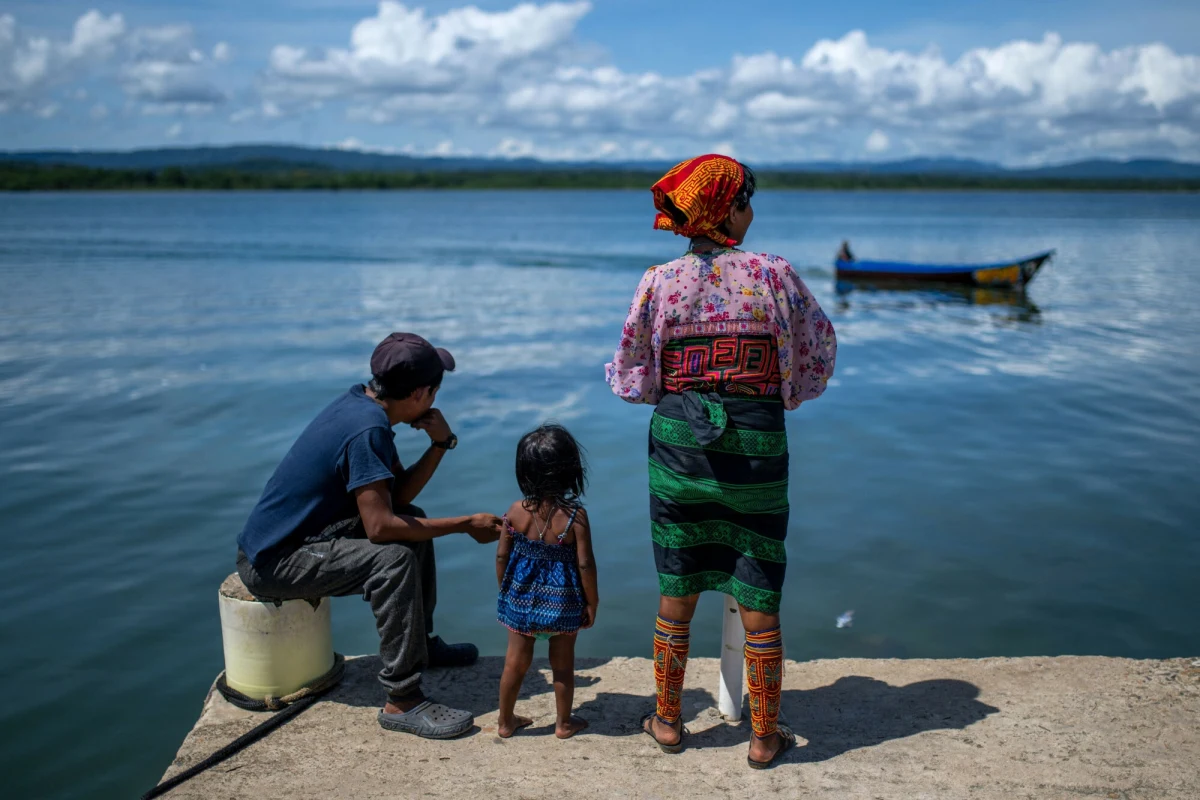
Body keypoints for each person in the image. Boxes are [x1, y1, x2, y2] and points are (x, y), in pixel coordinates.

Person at [605, 154, 837, 769]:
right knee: (759, 587)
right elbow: (818, 354)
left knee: (677, 583)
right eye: (747, 201)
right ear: (728, 209)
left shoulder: (659, 281)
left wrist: (683, 392)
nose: (752, 212)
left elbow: (631, 376)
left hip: (679, 448)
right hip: (758, 448)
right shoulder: (774, 274)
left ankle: (669, 722)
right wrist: (775, 390)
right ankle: (763, 738)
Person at [236, 332, 503, 740]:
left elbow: (397, 501)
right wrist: (466, 525)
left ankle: (421, 649)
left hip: (305, 539)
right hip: (275, 561)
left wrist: (440, 444)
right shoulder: (367, 431)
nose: (434, 399)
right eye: (434, 391)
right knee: (392, 559)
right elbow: (380, 528)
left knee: (413, 521)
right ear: (419, 393)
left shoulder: (361, 407)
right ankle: (403, 698)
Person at [494, 424, 598, 740]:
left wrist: (506, 590)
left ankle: (505, 721)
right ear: (571, 470)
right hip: (563, 604)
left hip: (521, 601)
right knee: (563, 666)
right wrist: (591, 602)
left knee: (514, 664)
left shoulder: (515, 512)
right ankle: (563, 724)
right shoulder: (575, 516)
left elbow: (501, 557)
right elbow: (585, 563)